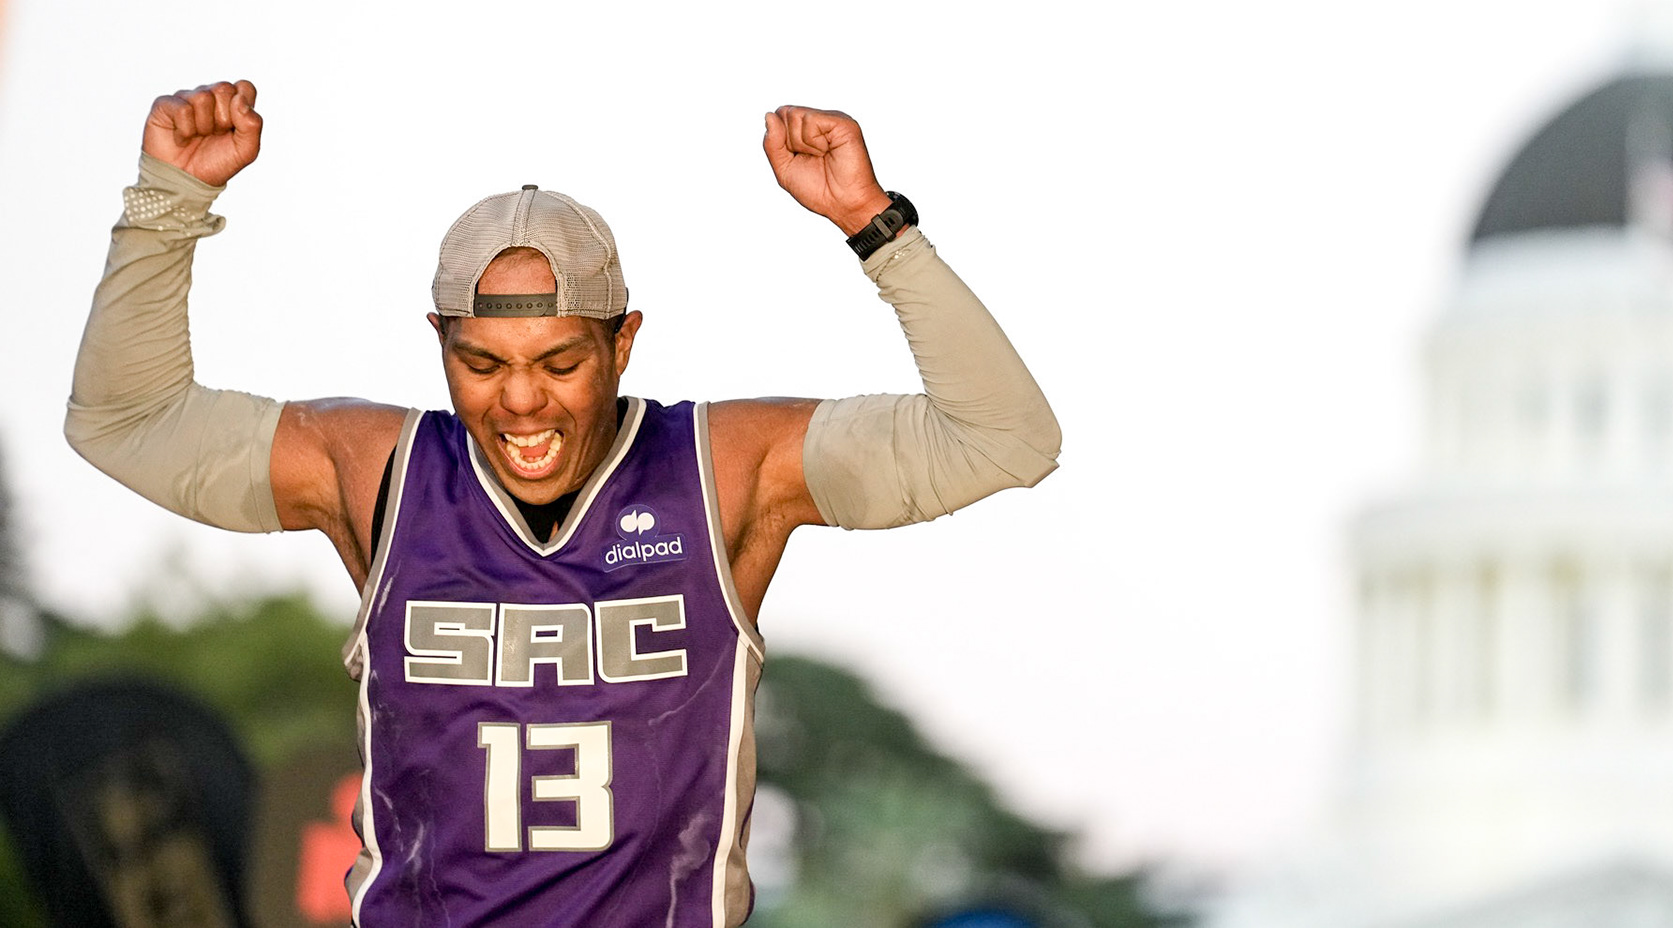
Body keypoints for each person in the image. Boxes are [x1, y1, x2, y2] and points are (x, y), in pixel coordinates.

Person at [66, 80, 1061, 927]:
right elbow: (126, 422)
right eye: (482, 361)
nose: (522, 399)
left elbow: (1004, 439)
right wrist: (169, 199)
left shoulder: (724, 467)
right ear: (439, 340)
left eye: (561, 360)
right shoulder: (377, 468)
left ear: (623, 341)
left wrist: (875, 224)